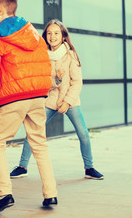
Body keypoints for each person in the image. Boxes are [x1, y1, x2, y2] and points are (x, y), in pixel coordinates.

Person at [0, 0, 58, 214]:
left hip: (15, 96)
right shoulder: (31, 31)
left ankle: (5, 193)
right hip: (37, 95)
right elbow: (44, 61)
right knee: (39, 143)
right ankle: (51, 193)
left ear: (2, 10)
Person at [10, 19, 104, 180]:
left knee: (83, 134)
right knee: (33, 131)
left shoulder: (71, 54)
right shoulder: (42, 54)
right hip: (50, 100)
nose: (52, 36)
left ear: (63, 36)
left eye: (56, 33)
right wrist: (57, 80)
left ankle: (89, 168)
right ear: (45, 35)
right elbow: (43, 81)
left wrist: (67, 102)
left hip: (70, 101)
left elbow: (77, 82)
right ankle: (22, 166)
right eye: (49, 33)